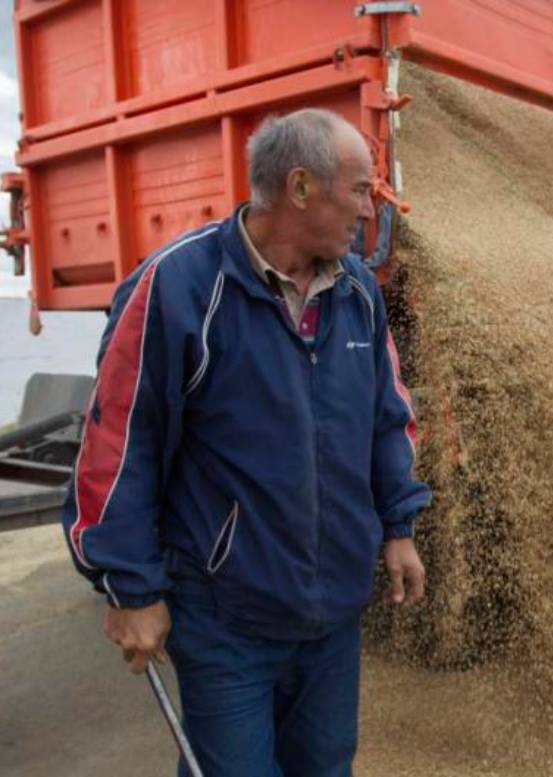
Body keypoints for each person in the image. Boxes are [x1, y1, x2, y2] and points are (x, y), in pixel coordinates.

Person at [61, 108, 432, 777]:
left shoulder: (356, 294)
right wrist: (129, 586)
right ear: (299, 188)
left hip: (333, 612)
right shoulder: (178, 286)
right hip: (226, 614)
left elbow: (386, 416)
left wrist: (398, 523)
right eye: (357, 189)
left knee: (325, 766)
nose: (368, 210)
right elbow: (118, 444)